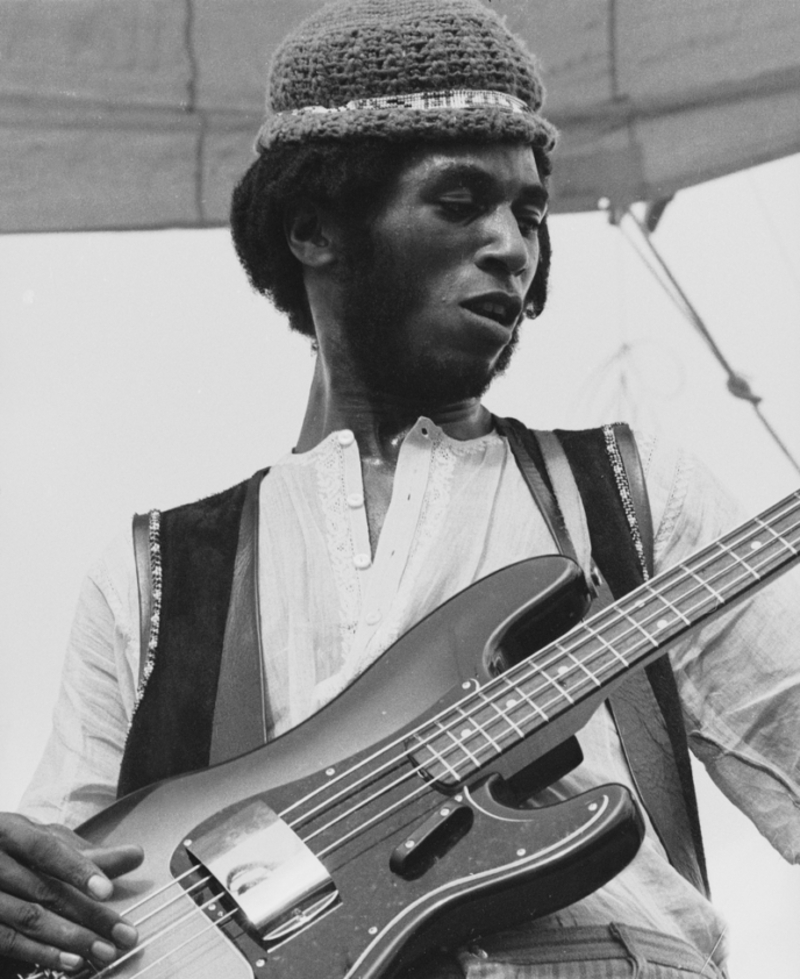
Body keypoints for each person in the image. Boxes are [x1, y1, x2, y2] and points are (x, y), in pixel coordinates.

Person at [1, 1, 799, 977]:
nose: (512, 243)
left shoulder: (632, 493)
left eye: (529, 211)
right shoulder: (153, 574)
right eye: (461, 202)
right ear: (312, 229)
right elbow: (57, 892)